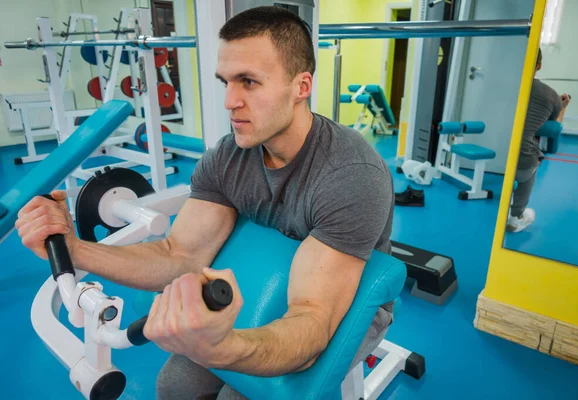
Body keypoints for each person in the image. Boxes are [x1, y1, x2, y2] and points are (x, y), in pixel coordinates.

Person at [15, 7, 395, 400]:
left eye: (249, 82)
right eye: (226, 81)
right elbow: (177, 254)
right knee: (174, 385)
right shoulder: (229, 157)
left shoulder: (351, 174)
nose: (230, 101)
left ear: (301, 86)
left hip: (341, 305)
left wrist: (224, 349)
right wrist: (74, 249)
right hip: (270, 279)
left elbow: (313, 319)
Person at [507, 49, 570, 233]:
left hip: (498, 156)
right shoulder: (550, 95)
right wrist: (562, 106)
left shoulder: (507, 86)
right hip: (521, 160)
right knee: (531, 164)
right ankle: (515, 216)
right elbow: (553, 127)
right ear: (539, 65)